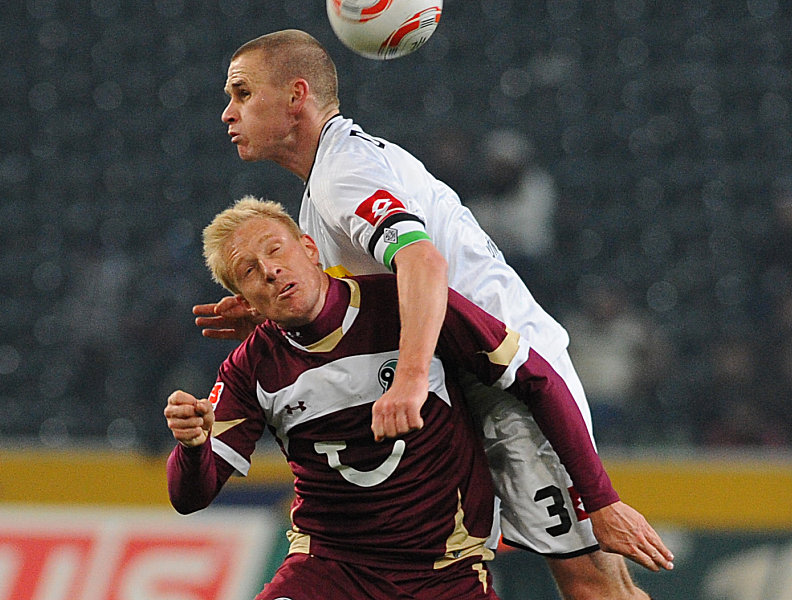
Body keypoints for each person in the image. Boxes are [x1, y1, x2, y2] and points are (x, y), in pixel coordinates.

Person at [194, 30, 674, 598]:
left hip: (509, 383)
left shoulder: (346, 174)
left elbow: (422, 262)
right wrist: (271, 307)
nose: (228, 112)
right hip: (465, 389)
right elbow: (361, 299)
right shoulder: (327, 179)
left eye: (242, 93)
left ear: (297, 94)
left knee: (592, 584)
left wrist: (412, 382)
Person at [166, 197, 666, 600]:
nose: (270, 270)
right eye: (249, 271)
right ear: (243, 299)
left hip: (443, 573)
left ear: (309, 248)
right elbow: (190, 497)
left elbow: (538, 379)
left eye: (275, 250)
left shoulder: (407, 304)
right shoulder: (251, 367)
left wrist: (602, 501)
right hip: (330, 571)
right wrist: (191, 447)